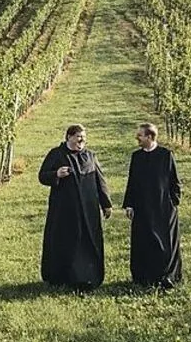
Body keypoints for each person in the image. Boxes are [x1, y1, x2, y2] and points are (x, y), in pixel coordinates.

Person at [38, 124, 113, 289]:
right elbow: (42, 176)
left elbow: (100, 181)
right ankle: (61, 277)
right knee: (64, 241)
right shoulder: (56, 154)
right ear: (69, 137)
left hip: (88, 210)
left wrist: (106, 204)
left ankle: (86, 277)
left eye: (84, 138)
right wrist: (56, 174)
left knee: (87, 242)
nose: (82, 141)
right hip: (64, 209)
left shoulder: (90, 156)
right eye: (79, 137)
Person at [123, 122, 182, 288]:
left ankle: (166, 276)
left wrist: (173, 203)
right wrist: (129, 204)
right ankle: (143, 277)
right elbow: (132, 182)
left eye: (140, 135)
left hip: (163, 208)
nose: (137, 138)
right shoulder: (137, 157)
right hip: (141, 208)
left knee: (165, 243)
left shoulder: (165, 155)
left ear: (149, 137)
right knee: (143, 240)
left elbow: (174, 182)